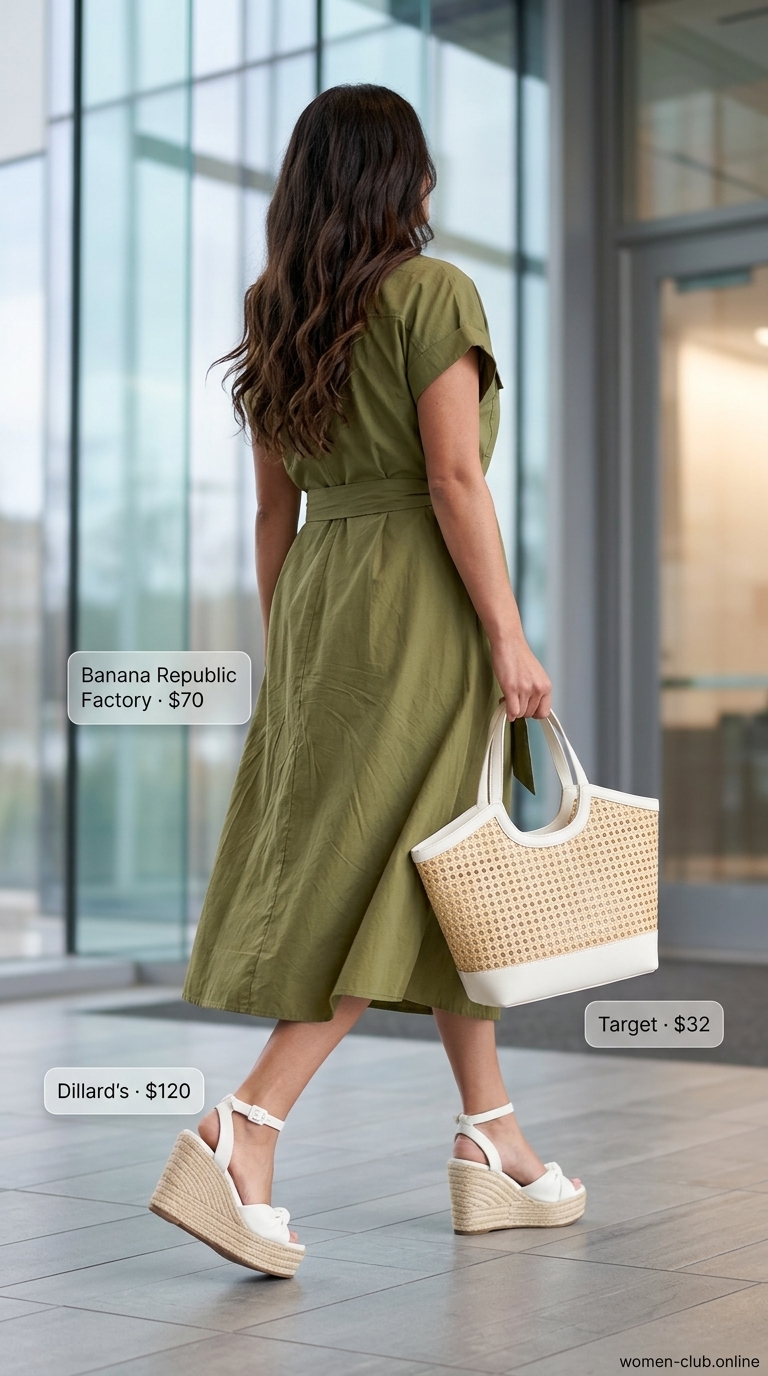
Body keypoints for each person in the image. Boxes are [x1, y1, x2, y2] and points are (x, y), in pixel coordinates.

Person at [149, 84, 585, 1278]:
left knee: (449, 869)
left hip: (322, 610)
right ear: (404, 178)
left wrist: (292, 647)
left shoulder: (277, 309)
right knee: (396, 866)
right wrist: (507, 633)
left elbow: (269, 511)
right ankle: (244, 1126)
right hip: (418, 605)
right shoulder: (434, 292)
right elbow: (454, 478)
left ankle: (494, 1141)